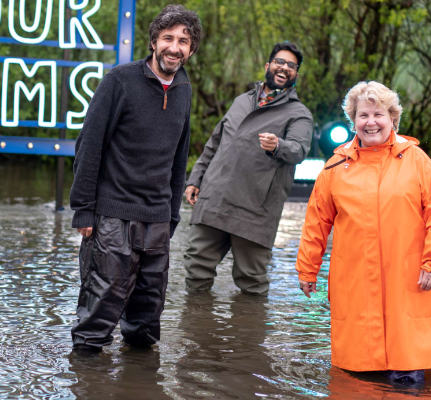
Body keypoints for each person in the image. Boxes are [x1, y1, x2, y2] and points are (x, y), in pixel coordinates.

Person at [295, 81, 431, 385]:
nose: (371, 122)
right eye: (363, 115)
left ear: (392, 118)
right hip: (354, 282)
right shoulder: (334, 168)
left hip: (407, 282)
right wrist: (307, 269)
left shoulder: (418, 161)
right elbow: (316, 222)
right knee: (357, 381)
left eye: (378, 114)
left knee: (409, 380)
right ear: (353, 121)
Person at [69, 4, 202, 353]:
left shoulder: (184, 89)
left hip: (157, 218)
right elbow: (89, 146)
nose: (175, 47)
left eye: (184, 41)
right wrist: (83, 209)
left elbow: (178, 157)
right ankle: (86, 377)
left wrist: (172, 214)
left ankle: (140, 384)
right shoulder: (119, 80)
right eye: (168, 38)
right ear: (154, 41)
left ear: (191, 49)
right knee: (100, 308)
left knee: (146, 319)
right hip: (113, 214)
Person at [183, 42, 313, 295]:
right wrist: (195, 179)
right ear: (267, 66)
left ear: (296, 74)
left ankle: (248, 333)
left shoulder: (299, 114)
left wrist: (278, 145)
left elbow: (299, 151)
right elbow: (214, 144)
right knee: (195, 269)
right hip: (215, 198)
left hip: (256, 209)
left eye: (291, 65)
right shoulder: (241, 100)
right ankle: (196, 332)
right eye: (279, 62)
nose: (284, 68)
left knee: (251, 281)